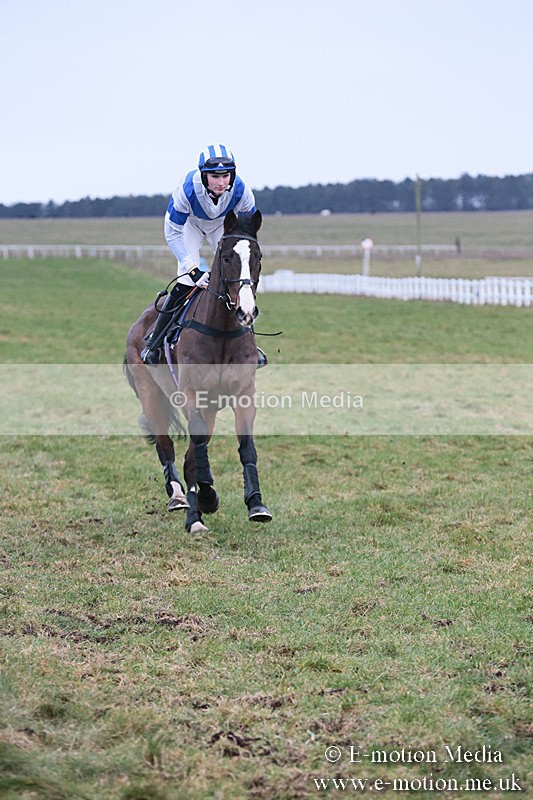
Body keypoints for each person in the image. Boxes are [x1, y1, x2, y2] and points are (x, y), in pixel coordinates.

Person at [141, 144, 267, 367]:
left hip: (222, 226)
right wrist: (193, 268)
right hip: (189, 226)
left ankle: (250, 344)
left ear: (232, 175)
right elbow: (172, 234)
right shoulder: (187, 191)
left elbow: (247, 231)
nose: (221, 182)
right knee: (187, 279)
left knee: (235, 279)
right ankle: (155, 342)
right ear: (203, 175)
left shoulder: (242, 192)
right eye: (214, 176)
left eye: (225, 176)